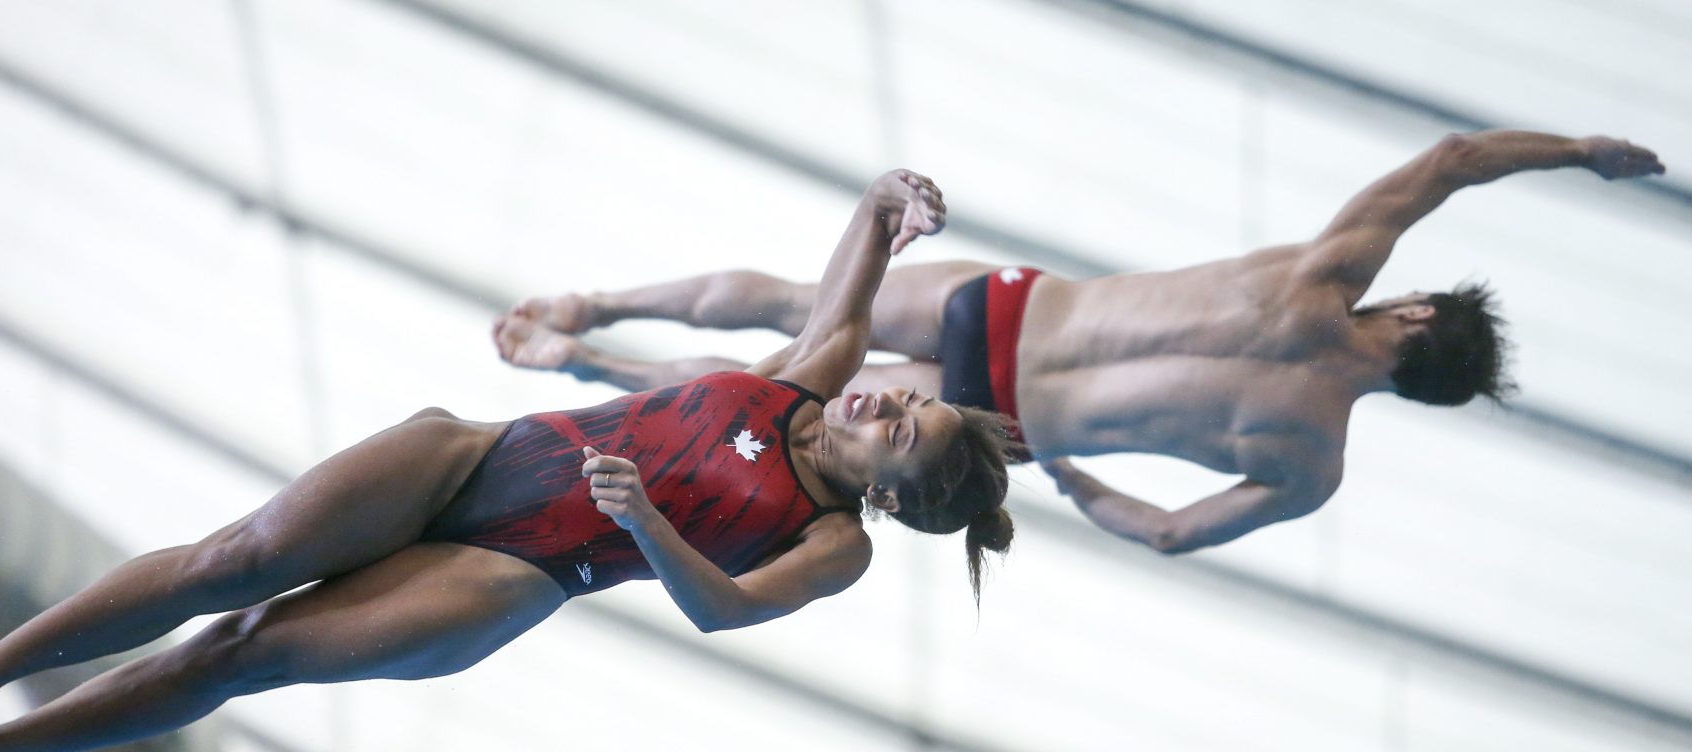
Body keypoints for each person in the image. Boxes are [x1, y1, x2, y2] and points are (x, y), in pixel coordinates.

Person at [0, 170, 1017, 752]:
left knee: (239, 652)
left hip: (516, 570)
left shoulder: (836, 544)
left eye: (902, 433)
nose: (887, 402)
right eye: (909, 398)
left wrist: (649, 525)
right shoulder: (810, 377)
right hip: (481, 453)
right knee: (230, 560)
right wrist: (894, 201)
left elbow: (725, 613)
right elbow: (862, 247)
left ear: (889, 495)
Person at [495, 130, 1664, 554]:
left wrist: (1583, 154)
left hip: (1006, 310)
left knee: (800, 314)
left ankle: (595, 308)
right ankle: (599, 368)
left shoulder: (1326, 280)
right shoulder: (1311, 463)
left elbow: (1449, 161)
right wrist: (1062, 466)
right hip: (1009, 416)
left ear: (1416, 317)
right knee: (771, 394)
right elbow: (1165, 533)